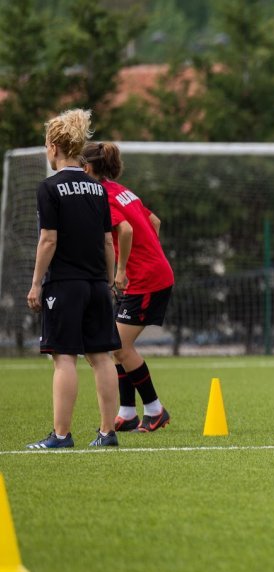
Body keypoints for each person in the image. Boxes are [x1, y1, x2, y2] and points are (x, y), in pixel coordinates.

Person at [25, 109, 121, 449]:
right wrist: (108, 281)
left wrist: (36, 282)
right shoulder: (97, 189)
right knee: (102, 357)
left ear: (53, 147)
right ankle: (108, 433)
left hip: (65, 284)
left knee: (64, 357)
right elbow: (109, 240)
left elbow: (48, 239)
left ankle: (61, 435)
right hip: (97, 283)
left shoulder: (49, 187)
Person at [81, 142, 174, 432]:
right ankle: (128, 412)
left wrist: (124, 268)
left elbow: (127, 229)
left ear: (87, 168)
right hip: (147, 274)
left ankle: (155, 410)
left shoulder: (103, 196)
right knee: (115, 344)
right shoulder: (121, 190)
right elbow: (154, 221)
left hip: (146, 280)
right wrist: (147, 256)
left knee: (120, 347)